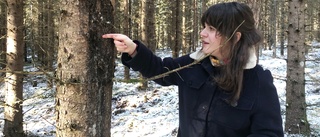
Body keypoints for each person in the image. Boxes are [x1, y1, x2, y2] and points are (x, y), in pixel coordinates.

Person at [103, 2, 284, 137]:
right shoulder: (195, 64)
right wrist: (133, 50)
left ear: (235, 37)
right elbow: (160, 70)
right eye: (204, 27)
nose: (202, 33)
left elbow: (269, 133)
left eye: (212, 29)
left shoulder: (259, 81)